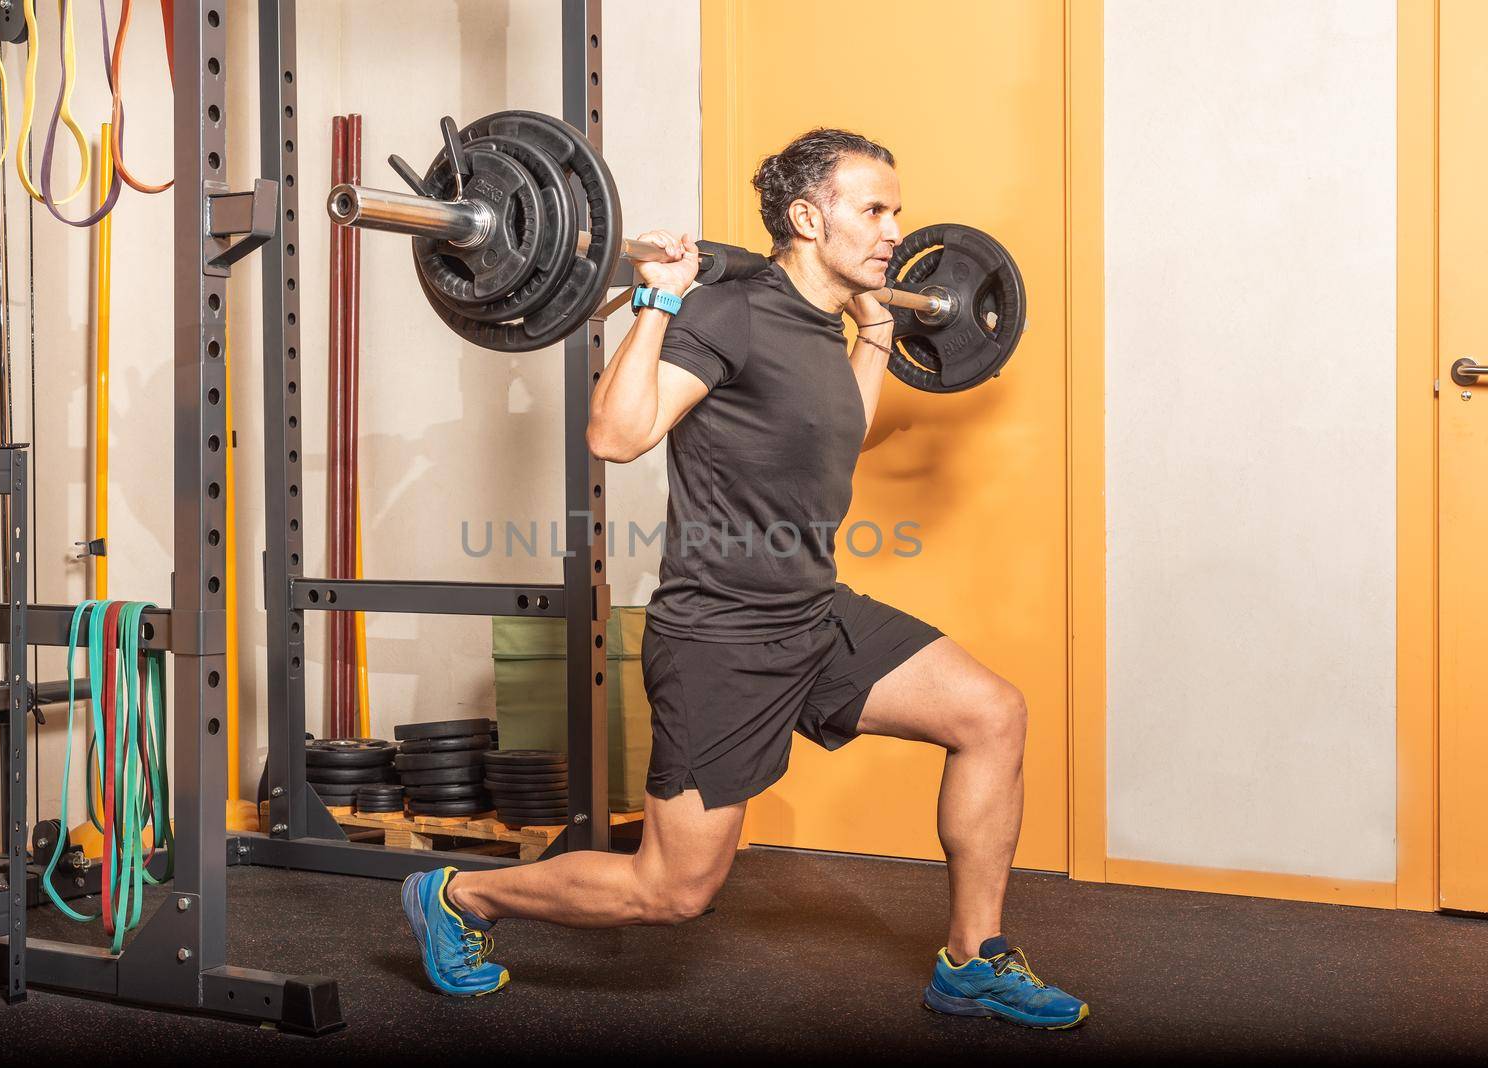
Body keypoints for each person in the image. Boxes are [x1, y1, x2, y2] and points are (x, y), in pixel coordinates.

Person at [401, 128, 1088, 1030]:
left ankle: (972, 961)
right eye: (873, 209)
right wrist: (658, 300)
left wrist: (878, 335)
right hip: (721, 637)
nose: (893, 231)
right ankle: (460, 899)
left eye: (897, 214)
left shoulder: (822, 325)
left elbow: (831, 429)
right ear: (808, 218)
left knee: (991, 714)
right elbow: (616, 434)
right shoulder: (731, 314)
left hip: (812, 613)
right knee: (670, 892)